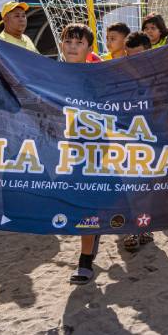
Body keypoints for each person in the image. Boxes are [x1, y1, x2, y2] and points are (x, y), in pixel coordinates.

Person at [60, 24, 105, 285]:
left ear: (89, 48)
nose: (72, 47)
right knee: (74, 203)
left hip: (93, 148)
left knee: (87, 202)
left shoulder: (97, 76)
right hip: (62, 148)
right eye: (68, 41)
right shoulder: (51, 73)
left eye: (79, 42)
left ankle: (85, 259)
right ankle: (94, 232)